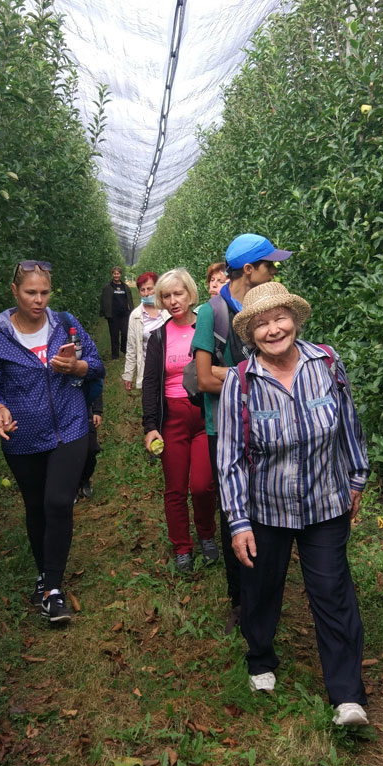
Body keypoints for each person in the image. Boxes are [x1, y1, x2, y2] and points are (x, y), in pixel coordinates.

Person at [216, 281, 371, 727]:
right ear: (250, 334)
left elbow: (348, 423)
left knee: (333, 591)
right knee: (262, 588)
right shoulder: (241, 381)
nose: (273, 329)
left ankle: (347, 695)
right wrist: (238, 522)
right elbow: (229, 458)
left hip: (325, 501)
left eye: (279, 318)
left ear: (295, 320)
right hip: (267, 507)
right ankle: (260, 657)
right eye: (261, 324)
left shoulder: (327, 363)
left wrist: (357, 476)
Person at [0, 259, 105, 624]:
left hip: (70, 426)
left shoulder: (65, 325)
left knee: (58, 502)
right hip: (23, 436)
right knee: (36, 507)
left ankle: (52, 589)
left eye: (44, 292)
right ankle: (45, 574)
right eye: (31, 292)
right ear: (14, 291)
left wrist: (77, 367)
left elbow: (96, 363)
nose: (38, 300)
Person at [191, 237, 285, 633]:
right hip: (226, 427)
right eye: (269, 265)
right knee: (234, 510)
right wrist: (254, 384)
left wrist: (230, 377)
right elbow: (202, 378)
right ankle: (240, 599)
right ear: (249, 269)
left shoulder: (269, 307)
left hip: (270, 424)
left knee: (267, 503)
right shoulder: (212, 312)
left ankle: (264, 588)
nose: (274, 270)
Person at [141, 269, 218, 573]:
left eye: (178, 294)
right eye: (166, 296)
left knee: (202, 485)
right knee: (175, 487)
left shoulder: (206, 329)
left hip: (204, 414)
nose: (173, 301)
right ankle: (182, 547)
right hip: (172, 418)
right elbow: (150, 384)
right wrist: (150, 426)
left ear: (190, 294)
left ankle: (206, 534)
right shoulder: (159, 337)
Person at [122, 271, 169, 392]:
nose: (146, 293)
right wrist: (128, 374)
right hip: (149, 369)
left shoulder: (168, 310)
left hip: (169, 366)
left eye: (150, 289)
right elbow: (132, 347)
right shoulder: (136, 316)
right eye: (142, 290)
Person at [76, 377, 104, 502]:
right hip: (62, 414)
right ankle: (72, 486)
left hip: (86, 409)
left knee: (91, 449)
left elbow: (95, 379)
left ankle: (85, 479)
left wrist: (97, 410)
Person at [99, 266, 134, 360]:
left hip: (124, 314)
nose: (116, 275)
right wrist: (104, 312)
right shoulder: (108, 287)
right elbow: (104, 300)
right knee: (114, 335)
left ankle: (124, 349)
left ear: (120, 275)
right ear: (112, 274)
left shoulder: (125, 287)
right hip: (113, 315)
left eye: (118, 273)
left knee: (125, 333)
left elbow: (129, 299)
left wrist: (131, 310)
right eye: (114, 273)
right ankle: (115, 355)